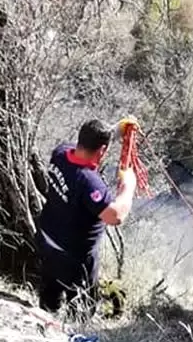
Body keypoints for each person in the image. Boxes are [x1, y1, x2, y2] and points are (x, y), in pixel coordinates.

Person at [35, 119, 137, 314]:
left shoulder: (61, 153)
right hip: (74, 258)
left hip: (48, 242)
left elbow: (88, 146)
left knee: (49, 298)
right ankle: (75, 337)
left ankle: (46, 319)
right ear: (102, 151)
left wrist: (114, 131)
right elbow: (114, 216)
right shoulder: (89, 182)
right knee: (82, 309)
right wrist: (128, 187)